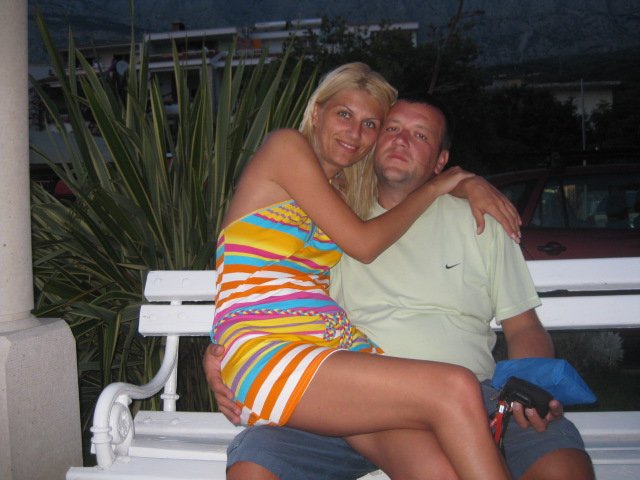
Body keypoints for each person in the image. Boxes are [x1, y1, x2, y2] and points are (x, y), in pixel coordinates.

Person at [205, 96, 595, 480]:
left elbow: (524, 327)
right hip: (348, 396)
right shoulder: (336, 221)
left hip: (477, 395)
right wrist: (222, 353)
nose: (401, 140)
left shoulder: (481, 220)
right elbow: (273, 282)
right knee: (254, 466)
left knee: (563, 471)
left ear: (441, 161)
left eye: (420, 135)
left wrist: (528, 383)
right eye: (391, 128)